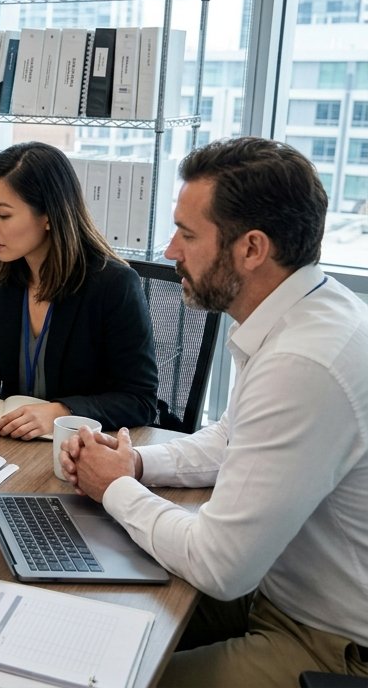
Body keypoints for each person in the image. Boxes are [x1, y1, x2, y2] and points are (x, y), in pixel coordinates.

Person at [62, 137, 368, 687]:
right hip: (276, 588)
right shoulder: (305, 314)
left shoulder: (305, 362)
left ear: (251, 249)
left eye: (188, 233)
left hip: (328, 639)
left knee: (120, 678)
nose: (170, 249)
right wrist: (137, 466)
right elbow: (232, 439)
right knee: (85, 622)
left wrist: (114, 489)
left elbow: (220, 566)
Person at [0, 142, 158, 438]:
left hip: (84, 446)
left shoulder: (113, 284)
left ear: (48, 215)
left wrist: (64, 412)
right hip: (11, 439)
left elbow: (140, 400)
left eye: (4, 215)